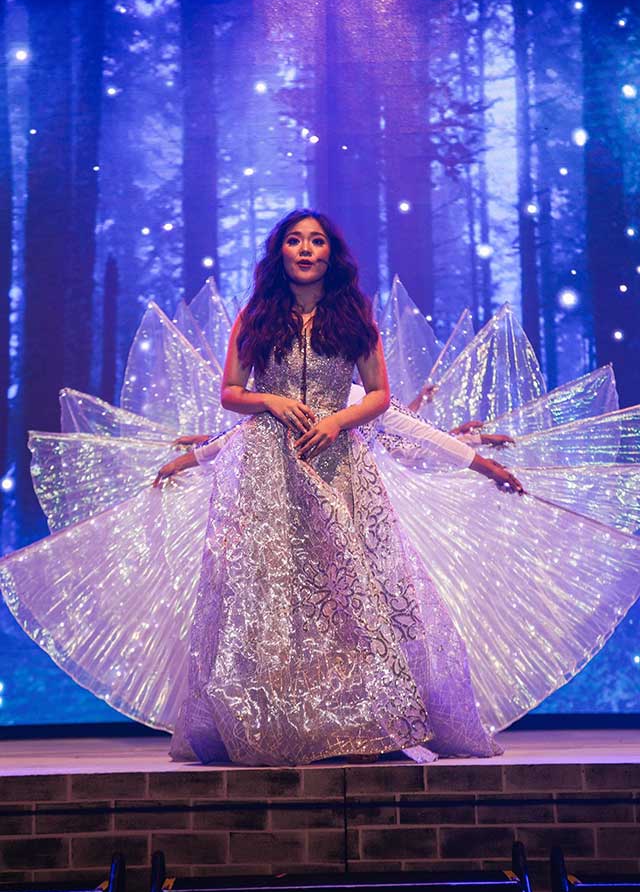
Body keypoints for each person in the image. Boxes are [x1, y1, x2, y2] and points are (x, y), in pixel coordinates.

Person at [1, 209, 639, 764]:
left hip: (340, 470)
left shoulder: (353, 317)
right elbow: (231, 395)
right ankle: (269, 724)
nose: (306, 249)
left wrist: (339, 419)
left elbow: (384, 398)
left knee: (354, 591)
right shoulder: (257, 316)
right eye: (294, 240)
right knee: (270, 599)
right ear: (279, 253)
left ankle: (369, 721)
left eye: (317, 241)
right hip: (268, 477)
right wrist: (266, 406)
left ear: (332, 255)